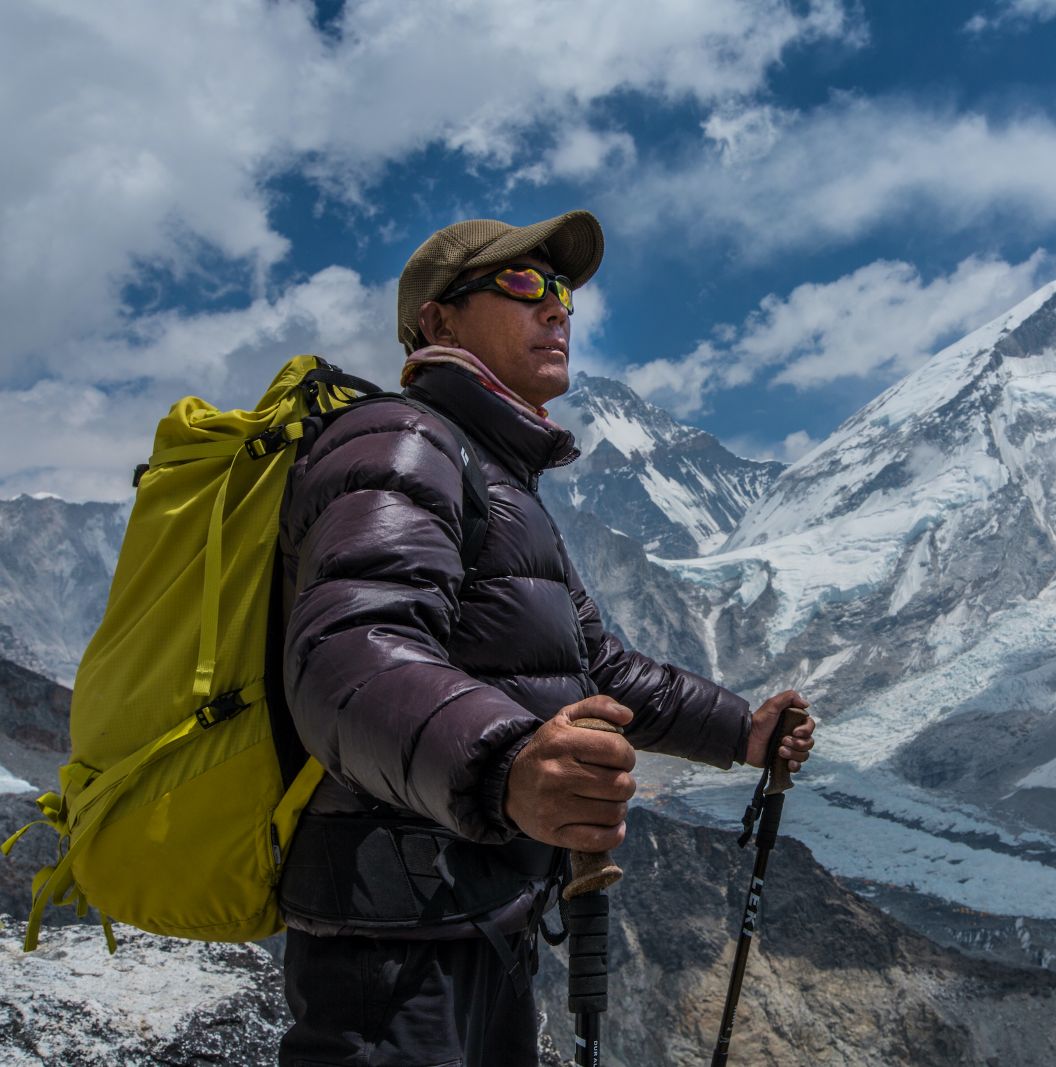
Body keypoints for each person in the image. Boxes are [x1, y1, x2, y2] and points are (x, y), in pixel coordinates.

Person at [273, 211, 816, 1066]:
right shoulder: (404, 442)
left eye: (560, 290)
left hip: (477, 915)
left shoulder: (498, 477)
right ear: (438, 321)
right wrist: (507, 763)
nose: (557, 308)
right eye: (523, 284)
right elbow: (348, 656)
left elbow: (595, 668)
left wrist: (740, 730)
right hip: (394, 951)